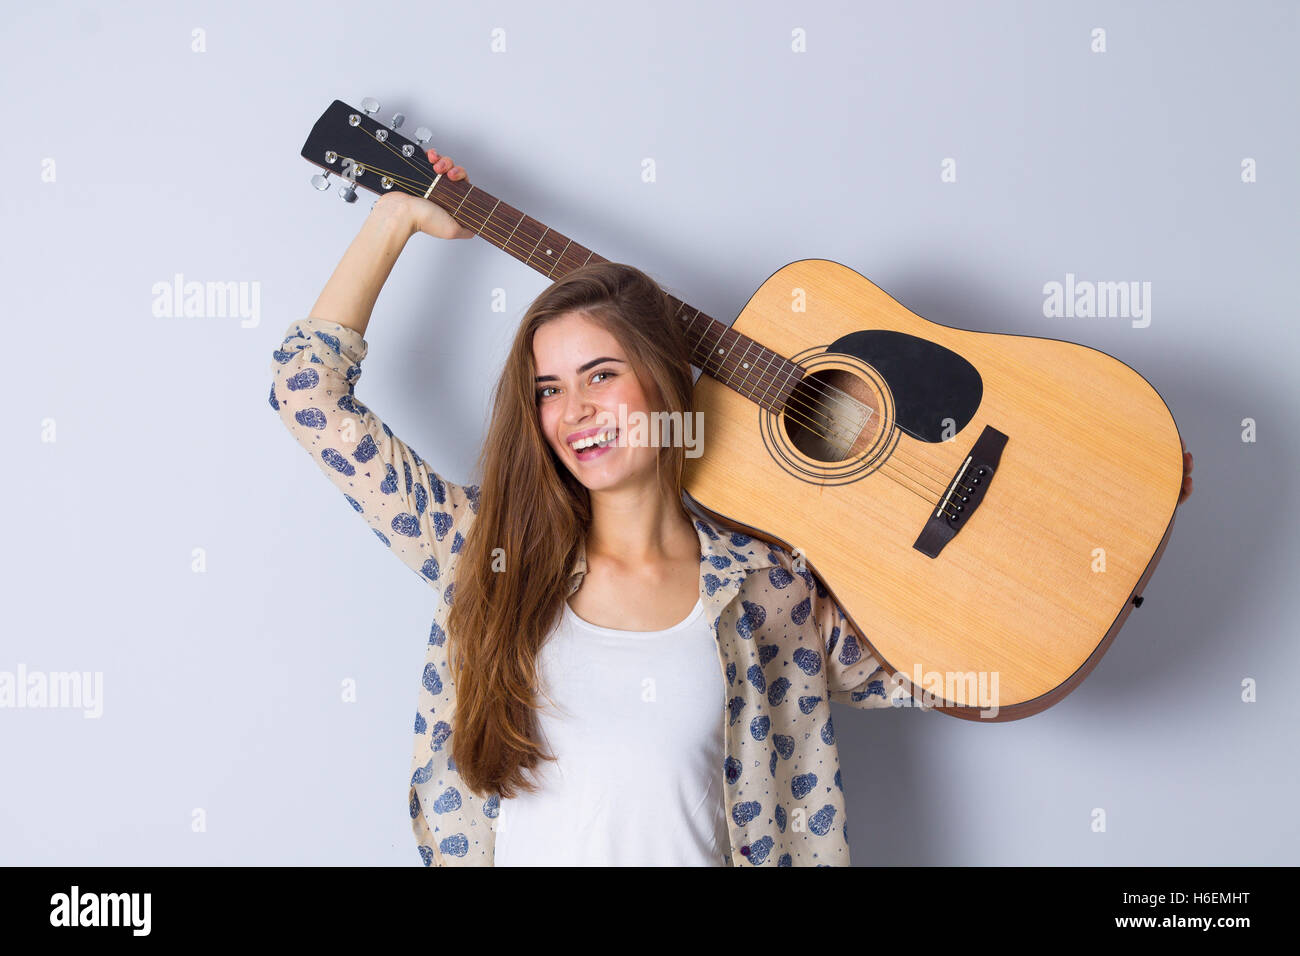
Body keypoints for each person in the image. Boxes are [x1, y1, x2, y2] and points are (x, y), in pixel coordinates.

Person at [268, 148, 1194, 867]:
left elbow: (976, 659)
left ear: (669, 388)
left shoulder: (772, 593)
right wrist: (393, 220)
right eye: (549, 388)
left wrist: (1111, 510)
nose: (574, 409)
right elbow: (309, 399)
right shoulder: (482, 551)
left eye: (601, 374)